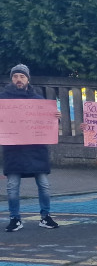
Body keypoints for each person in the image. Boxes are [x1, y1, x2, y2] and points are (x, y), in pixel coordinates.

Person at [2, 64, 62, 232]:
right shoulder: (2, 100)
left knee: (44, 185)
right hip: (13, 151)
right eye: (15, 76)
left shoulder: (39, 100)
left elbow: (50, 125)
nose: (18, 79)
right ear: (11, 79)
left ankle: (46, 216)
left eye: (22, 76)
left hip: (36, 150)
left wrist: (56, 118)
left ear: (28, 79)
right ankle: (15, 218)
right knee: (12, 186)